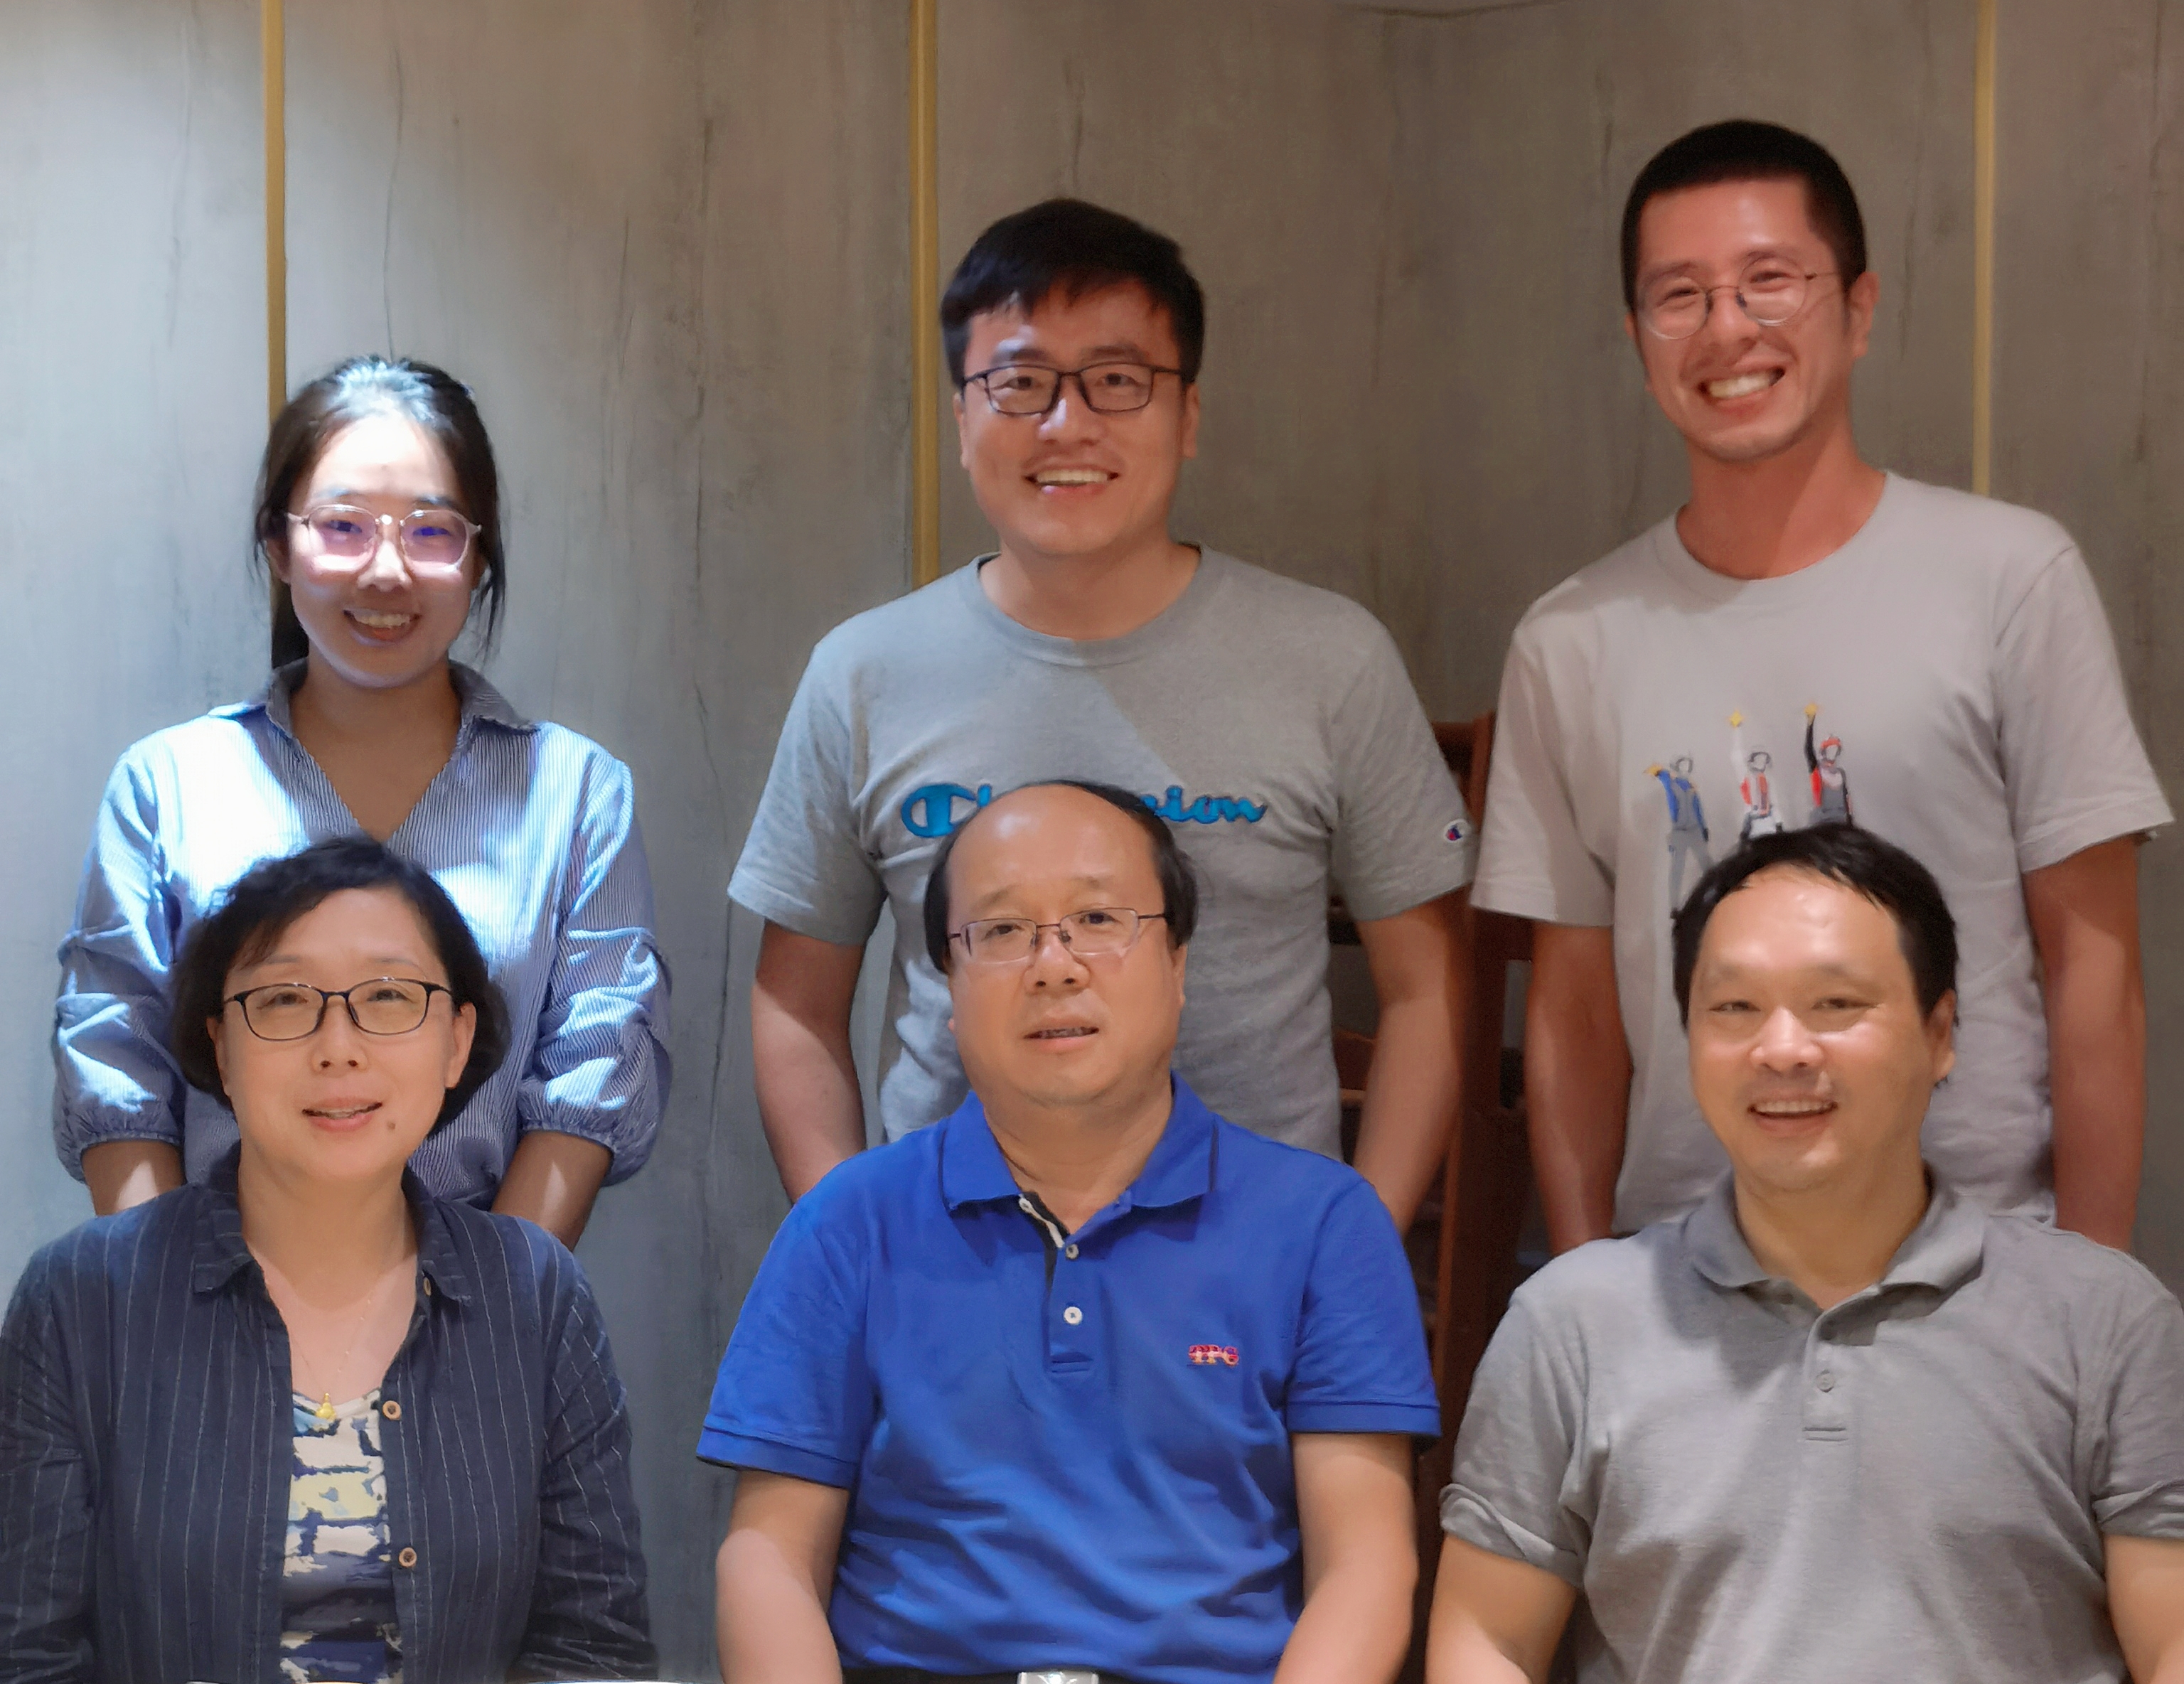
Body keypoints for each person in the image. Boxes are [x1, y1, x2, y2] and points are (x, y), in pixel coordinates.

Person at [1474, 119, 2168, 1250]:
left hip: (1978, 1259)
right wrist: (1590, 1284)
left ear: (1859, 308)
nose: (1727, 328)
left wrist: (2085, 1294)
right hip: (1683, 1271)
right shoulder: (1571, 639)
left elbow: (2094, 969)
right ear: (1639, 339)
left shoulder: (2010, 579)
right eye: (1680, 295)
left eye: (1771, 280)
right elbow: (1576, 1013)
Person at [734, 198, 1472, 1228]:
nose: (1067, 423)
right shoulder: (863, 674)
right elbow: (796, 1003)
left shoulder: (1332, 661)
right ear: (961, 420)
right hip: (953, 1274)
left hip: (1257, 1278)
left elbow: (1427, 992)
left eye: (1119, 381)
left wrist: (1352, 1254)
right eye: (1020, 383)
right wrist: (856, 1255)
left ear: (1189, 415)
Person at [705, 781, 1441, 1684]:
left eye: (1097, 919)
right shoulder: (848, 1221)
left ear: (1178, 963)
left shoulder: (1325, 1224)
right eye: (1002, 930)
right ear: (949, 982)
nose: (1053, 965)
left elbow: (1366, 1566)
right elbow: (769, 1555)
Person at [1428, 825, 2184, 1683]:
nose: (1782, 1048)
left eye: (1836, 1003)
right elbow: (1486, 1640)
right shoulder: (1573, 1322)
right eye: (1734, 1008)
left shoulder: (2105, 1320)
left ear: (1940, 1031)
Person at [1, 838, 654, 1683]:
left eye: (388, 995)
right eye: (283, 999)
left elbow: (594, 1649)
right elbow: (27, 1653)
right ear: (220, 1046)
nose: (338, 1045)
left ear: (457, 1041)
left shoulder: (537, 1293)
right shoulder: (82, 1298)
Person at [53, 355, 669, 1245]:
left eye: (431, 531)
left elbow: (594, 1066)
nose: (386, 570)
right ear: (279, 545)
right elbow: (116, 1060)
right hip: (205, 1289)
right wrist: (172, 1302)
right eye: (342, 526)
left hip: (489, 1298)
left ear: (479, 555)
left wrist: (488, 1305)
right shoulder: (166, 784)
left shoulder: (576, 793)